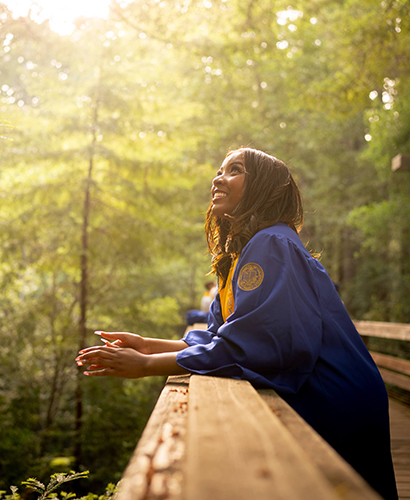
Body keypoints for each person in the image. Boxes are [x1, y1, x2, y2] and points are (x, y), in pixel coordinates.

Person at [75, 148, 397, 500]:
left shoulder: (272, 244)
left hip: (333, 396)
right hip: (317, 391)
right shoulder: (241, 255)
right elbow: (219, 336)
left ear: (262, 186)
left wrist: (149, 365)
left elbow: (257, 345)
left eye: (235, 170)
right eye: (219, 170)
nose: (218, 178)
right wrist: (149, 344)